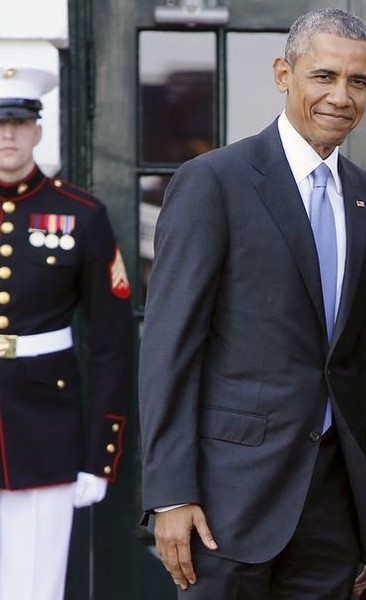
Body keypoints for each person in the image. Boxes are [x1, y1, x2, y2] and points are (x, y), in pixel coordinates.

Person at [138, 8, 366, 599]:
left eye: (357, 82)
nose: (340, 96)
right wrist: (170, 493)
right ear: (284, 73)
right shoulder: (214, 181)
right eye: (323, 76)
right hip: (226, 504)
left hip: (334, 503)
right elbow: (169, 349)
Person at [0, 66, 134, 599]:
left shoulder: (80, 215)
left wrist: (101, 455)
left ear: (37, 129)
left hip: (46, 429)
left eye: (17, 121)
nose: (7, 134)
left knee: (35, 585)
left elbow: (111, 344)